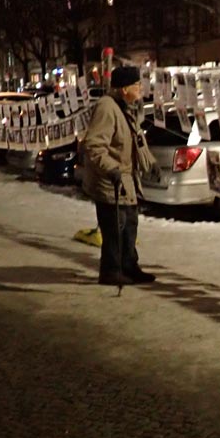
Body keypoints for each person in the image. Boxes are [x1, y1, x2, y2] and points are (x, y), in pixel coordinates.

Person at [80, 66, 158, 286]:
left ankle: (129, 266)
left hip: (127, 181)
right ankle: (111, 270)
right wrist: (111, 169)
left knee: (130, 225)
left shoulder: (126, 108)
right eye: (137, 85)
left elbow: (136, 141)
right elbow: (94, 146)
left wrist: (150, 163)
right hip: (110, 182)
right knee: (115, 228)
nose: (141, 89)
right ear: (124, 89)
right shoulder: (107, 108)